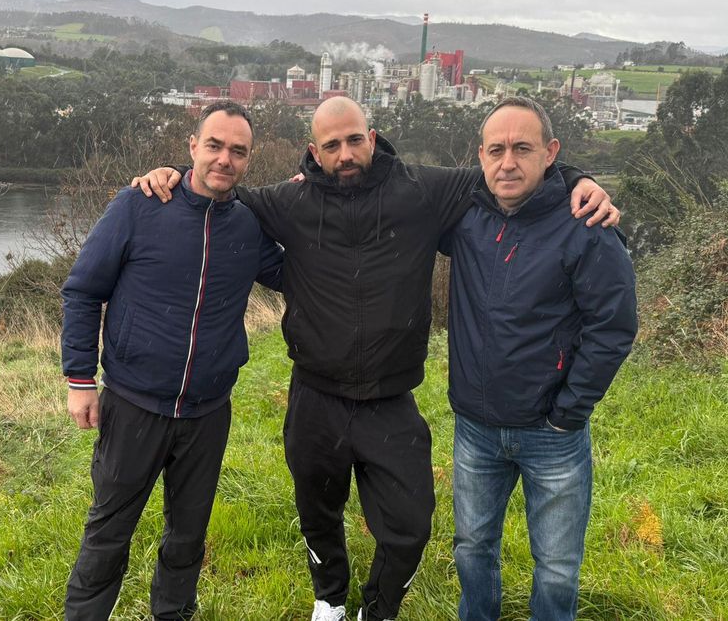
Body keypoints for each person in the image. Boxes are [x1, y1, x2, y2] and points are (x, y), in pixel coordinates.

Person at [134, 96, 617, 620]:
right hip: (315, 395)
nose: (345, 153)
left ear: (373, 135)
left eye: (354, 139)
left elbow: (508, 171)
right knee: (317, 511)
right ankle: (330, 598)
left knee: (411, 526)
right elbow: (222, 186)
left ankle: (378, 609)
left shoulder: (422, 190)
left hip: (390, 397)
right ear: (313, 153)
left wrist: (577, 178)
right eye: (332, 145)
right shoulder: (286, 204)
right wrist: (174, 176)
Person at [60, 100, 283, 620]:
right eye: (214, 145)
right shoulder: (139, 205)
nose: (224, 159)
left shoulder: (248, 229)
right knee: (108, 531)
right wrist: (80, 379)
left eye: (238, 151)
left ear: (249, 160)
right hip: (134, 404)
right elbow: (83, 291)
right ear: (192, 147)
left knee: (187, 538)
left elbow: (302, 273)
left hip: (207, 413)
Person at [440, 96, 637, 621]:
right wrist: (310, 177)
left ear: (550, 153)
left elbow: (613, 326)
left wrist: (568, 411)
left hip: (552, 434)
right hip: (475, 427)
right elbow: (389, 185)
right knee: (471, 548)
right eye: (497, 150)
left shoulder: (587, 225)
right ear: (479, 155)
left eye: (523, 148)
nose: (508, 162)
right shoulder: (462, 215)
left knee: (555, 567)